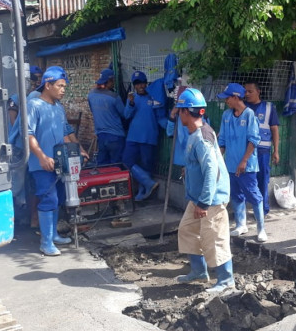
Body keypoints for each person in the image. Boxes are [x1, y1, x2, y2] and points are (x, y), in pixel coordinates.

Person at [174, 88, 234, 293]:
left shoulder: (202, 137)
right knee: (187, 229)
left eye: (179, 109)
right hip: (198, 196)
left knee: (214, 237)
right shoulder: (196, 132)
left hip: (211, 199)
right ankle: (199, 271)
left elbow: (212, 170)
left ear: (185, 112)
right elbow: (200, 163)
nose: (177, 114)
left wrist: (204, 203)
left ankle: (226, 280)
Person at [27, 66, 73, 256]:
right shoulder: (34, 105)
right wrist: (42, 156)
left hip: (59, 162)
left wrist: (77, 151)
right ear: (48, 85)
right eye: (60, 86)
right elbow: (28, 134)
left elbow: (64, 135)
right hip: (42, 163)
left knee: (59, 199)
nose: (63, 90)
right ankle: (45, 243)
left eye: (64, 86)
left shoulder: (59, 108)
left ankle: (53, 235)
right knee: (48, 199)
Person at [217, 83, 267, 242]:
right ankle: (241, 225)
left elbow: (254, 139)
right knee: (236, 195)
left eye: (228, 98)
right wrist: (219, 160)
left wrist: (244, 161)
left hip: (247, 166)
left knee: (254, 195)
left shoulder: (249, 115)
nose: (226, 101)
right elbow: (222, 140)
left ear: (235, 97)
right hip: (230, 164)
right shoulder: (226, 115)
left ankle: (261, 228)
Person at [123, 71, 167, 201]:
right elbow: (126, 115)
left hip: (149, 137)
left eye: (142, 83)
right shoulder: (132, 98)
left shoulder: (154, 97)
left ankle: (143, 193)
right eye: (137, 84)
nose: (140, 86)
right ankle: (149, 184)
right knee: (126, 161)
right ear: (134, 86)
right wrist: (130, 104)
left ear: (146, 83)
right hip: (132, 137)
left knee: (146, 165)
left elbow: (161, 115)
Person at [244, 82, 280, 216]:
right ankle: (245, 209)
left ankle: (262, 211)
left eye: (250, 91)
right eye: (245, 91)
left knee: (263, 181)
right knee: (246, 180)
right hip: (246, 152)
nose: (246, 94)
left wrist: (276, 151)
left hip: (263, 151)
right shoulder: (243, 107)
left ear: (258, 91)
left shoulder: (269, 108)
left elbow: (275, 130)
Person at [88, 68, 125, 165]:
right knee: (116, 165)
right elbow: (125, 114)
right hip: (116, 136)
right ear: (109, 81)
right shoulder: (114, 97)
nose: (114, 83)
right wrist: (131, 104)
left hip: (101, 136)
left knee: (103, 165)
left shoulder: (91, 95)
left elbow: (93, 111)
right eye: (113, 81)